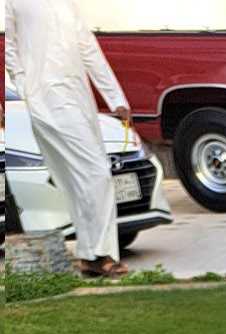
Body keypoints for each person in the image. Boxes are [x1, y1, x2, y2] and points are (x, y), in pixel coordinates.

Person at [5, 0, 132, 276]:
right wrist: (27, 90)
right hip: (46, 102)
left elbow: (88, 48)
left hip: (78, 99)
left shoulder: (67, 4)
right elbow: (10, 49)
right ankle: (101, 255)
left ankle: (91, 256)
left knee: (84, 179)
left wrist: (116, 98)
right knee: (96, 174)